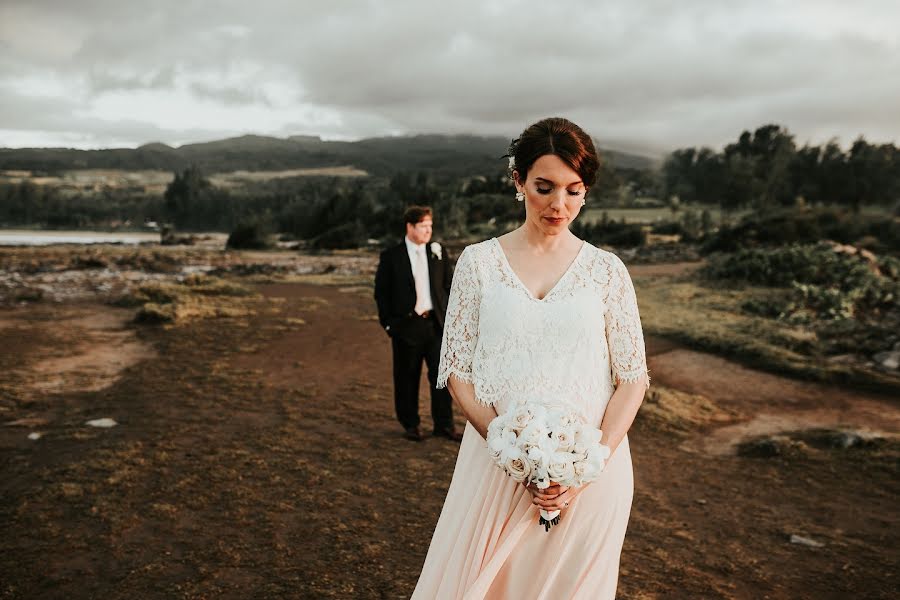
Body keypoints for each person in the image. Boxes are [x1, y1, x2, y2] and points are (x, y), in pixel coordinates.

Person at [411, 117, 651, 599]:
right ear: (518, 181)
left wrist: (586, 466)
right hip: (498, 466)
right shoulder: (478, 264)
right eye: (544, 187)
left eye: (574, 191)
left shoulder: (607, 271)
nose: (559, 204)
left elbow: (632, 378)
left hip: (592, 475)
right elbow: (456, 370)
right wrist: (513, 452)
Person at [374, 206, 463, 442]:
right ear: (410, 227)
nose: (428, 231)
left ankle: (444, 425)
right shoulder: (391, 256)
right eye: (423, 226)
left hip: (435, 325)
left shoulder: (438, 251)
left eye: (430, 226)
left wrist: (449, 320)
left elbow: (447, 287)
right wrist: (390, 325)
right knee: (407, 377)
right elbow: (381, 294)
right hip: (406, 326)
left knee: (441, 378)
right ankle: (410, 425)